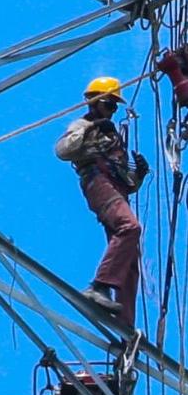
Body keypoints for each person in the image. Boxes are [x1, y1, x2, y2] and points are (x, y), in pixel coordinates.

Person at [55, 77, 149, 325]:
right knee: (130, 227)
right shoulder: (82, 125)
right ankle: (99, 286)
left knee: (130, 258)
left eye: (114, 106)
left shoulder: (113, 138)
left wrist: (139, 174)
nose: (112, 111)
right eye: (109, 104)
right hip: (98, 183)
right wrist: (93, 126)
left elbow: (127, 182)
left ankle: (125, 326)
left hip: (115, 189)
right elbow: (63, 151)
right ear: (94, 102)